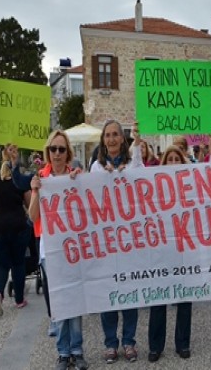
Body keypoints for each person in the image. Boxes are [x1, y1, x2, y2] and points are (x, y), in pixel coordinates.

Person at [27, 131, 88, 370]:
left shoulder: (76, 176)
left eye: (62, 149)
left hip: (73, 250)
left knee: (75, 301)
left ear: (68, 152)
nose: (58, 154)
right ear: (48, 152)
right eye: (54, 149)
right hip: (50, 251)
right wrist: (34, 192)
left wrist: (80, 183)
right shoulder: (41, 178)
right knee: (60, 303)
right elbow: (33, 217)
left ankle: (77, 349)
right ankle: (63, 352)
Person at [90, 120, 144, 363]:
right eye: (107, 135)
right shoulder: (95, 168)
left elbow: (142, 176)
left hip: (129, 241)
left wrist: (137, 144)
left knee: (130, 291)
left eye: (115, 135)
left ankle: (129, 341)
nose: (111, 139)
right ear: (103, 140)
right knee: (108, 292)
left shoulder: (131, 163)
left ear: (122, 139)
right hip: (107, 242)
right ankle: (111, 343)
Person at [147, 145, 193, 363]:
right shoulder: (154, 187)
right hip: (161, 251)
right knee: (159, 297)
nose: (174, 163)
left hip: (184, 250)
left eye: (177, 159)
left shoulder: (191, 186)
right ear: (163, 164)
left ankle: (183, 343)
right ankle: (155, 346)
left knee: (184, 297)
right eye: (170, 159)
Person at [0, 144, 31, 316]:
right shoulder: (19, 179)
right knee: (18, 263)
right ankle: (19, 300)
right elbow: (29, 203)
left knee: (0, 264)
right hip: (18, 227)